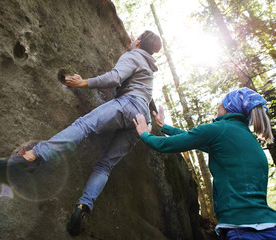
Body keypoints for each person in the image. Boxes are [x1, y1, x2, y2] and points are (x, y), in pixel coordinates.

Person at [16, 30, 162, 235]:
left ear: (138, 43)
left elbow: (115, 77)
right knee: (105, 165)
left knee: (84, 127)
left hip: (128, 104)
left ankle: (35, 155)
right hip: (141, 121)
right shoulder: (148, 65)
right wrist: (135, 42)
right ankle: (84, 206)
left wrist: (83, 82)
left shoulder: (134, 55)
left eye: (135, 39)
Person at [133, 87, 276, 240]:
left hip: (243, 229)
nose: (217, 107)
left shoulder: (218, 130)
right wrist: (165, 127)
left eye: (221, 103)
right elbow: (195, 139)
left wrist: (145, 134)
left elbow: (167, 144)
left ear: (229, 108)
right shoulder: (245, 136)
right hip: (268, 225)